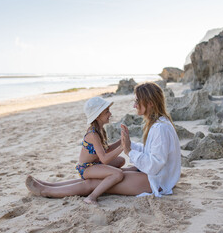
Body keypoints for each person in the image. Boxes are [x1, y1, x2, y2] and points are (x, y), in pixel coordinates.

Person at [26, 82, 181, 198]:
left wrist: (128, 151)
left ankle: (46, 191)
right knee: (114, 172)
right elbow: (152, 154)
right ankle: (49, 185)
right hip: (158, 176)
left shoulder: (160, 128)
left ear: (150, 103)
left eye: (137, 101)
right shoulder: (159, 124)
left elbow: (154, 165)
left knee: (95, 182)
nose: (134, 105)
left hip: (158, 182)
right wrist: (128, 144)